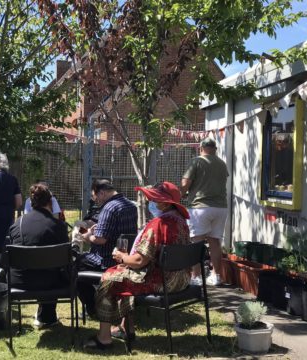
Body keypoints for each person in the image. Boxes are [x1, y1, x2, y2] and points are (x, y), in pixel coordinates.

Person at [83, 182, 191, 350]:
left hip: (163, 281)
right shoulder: (181, 221)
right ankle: (127, 327)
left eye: (155, 198)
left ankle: (104, 338)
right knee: (122, 274)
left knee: (109, 278)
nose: (150, 200)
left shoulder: (158, 224)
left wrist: (122, 256)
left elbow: (139, 261)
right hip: (181, 278)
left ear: (166, 202)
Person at [8, 183, 70, 329]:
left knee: (44, 269)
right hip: (52, 283)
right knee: (51, 270)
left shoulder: (18, 224)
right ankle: (47, 317)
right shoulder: (59, 226)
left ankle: (46, 316)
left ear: (31, 202)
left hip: (20, 280)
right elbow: (65, 260)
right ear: (50, 202)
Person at [77, 179, 137, 317]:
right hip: (125, 259)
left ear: (102, 193)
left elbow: (100, 240)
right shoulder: (130, 205)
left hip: (106, 260)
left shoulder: (109, 208)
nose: (95, 200)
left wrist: (87, 236)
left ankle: (93, 308)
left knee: (73, 265)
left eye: (95, 196)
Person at [181, 137, 229, 286]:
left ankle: (196, 277)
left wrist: (180, 195)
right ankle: (216, 276)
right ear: (215, 149)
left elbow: (185, 184)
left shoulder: (196, 161)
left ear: (200, 148)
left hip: (200, 207)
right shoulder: (222, 164)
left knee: (197, 241)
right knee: (215, 241)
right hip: (221, 207)